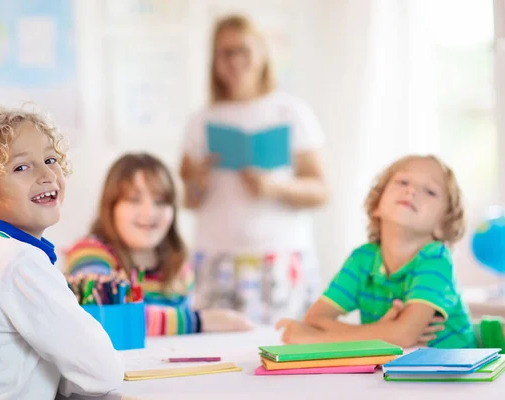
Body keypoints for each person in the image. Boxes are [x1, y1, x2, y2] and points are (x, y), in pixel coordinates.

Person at [0, 107, 124, 399]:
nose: (47, 174)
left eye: (50, 160)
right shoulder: (18, 262)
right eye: (22, 167)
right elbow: (103, 372)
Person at [180, 14, 329, 324]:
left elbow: (321, 190)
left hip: (279, 261)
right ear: (215, 61)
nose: (234, 60)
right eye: (225, 52)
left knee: (285, 354)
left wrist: (276, 188)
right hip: (217, 261)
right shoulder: (202, 120)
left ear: (262, 53)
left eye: (242, 50)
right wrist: (198, 181)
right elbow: (191, 201)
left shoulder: (290, 112)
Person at [277, 154, 476, 348]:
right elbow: (315, 318)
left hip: (456, 377)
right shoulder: (363, 259)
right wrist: (382, 330)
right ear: (376, 204)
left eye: (430, 191)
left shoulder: (436, 258)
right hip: (398, 375)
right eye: (403, 181)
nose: (411, 191)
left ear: (442, 224)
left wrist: (316, 339)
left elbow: (404, 335)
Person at [65, 153, 253, 335]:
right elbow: (108, 316)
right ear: (111, 206)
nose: (149, 212)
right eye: (134, 199)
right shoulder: (88, 253)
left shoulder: (177, 262)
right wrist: (201, 320)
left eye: (160, 201)